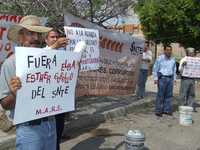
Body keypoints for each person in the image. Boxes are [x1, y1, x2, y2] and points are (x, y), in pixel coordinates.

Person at [0, 15, 56, 150]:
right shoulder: (11, 63)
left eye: (38, 34)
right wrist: (14, 94)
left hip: (50, 125)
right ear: (20, 37)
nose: (36, 38)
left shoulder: (50, 60)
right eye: (30, 33)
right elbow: (5, 104)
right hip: (29, 130)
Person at [45, 29, 69, 150]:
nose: (55, 39)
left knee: (58, 131)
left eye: (56, 37)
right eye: (52, 37)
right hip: (46, 102)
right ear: (46, 40)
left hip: (60, 100)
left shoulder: (63, 54)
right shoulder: (40, 53)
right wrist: (55, 46)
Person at [152, 45, 176, 117]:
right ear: (164, 51)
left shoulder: (173, 59)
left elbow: (174, 70)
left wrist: (174, 79)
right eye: (167, 50)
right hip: (162, 78)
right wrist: (155, 78)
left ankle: (166, 110)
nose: (169, 51)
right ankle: (158, 111)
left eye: (170, 50)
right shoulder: (160, 58)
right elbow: (155, 69)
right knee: (160, 95)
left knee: (169, 95)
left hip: (170, 78)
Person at [179, 47, 197, 112]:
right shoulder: (184, 59)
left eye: (193, 52)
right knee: (183, 93)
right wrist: (183, 65)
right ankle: (182, 107)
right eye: (190, 52)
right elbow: (179, 70)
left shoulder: (196, 60)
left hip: (193, 78)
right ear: (187, 53)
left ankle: (190, 107)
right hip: (185, 78)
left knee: (192, 93)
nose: (192, 54)